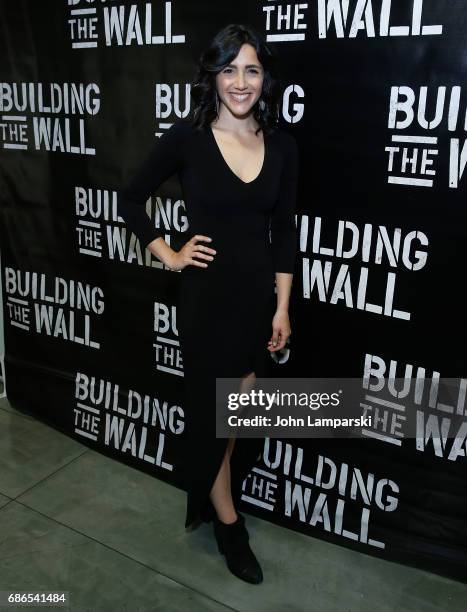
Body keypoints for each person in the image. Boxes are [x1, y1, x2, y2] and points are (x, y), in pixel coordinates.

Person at [117, 23, 299, 585]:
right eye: (229, 69)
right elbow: (130, 199)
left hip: (254, 304)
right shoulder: (188, 139)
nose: (240, 82)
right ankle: (227, 520)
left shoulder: (283, 145)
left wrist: (282, 308)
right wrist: (168, 255)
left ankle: (213, 497)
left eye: (251, 69)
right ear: (213, 77)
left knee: (236, 414)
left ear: (264, 78)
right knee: (214, 417)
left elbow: (285, 233)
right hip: (205, 303)